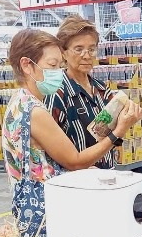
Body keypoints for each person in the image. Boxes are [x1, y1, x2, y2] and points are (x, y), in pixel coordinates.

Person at [2, 29, 142, 237]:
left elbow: (44, 160)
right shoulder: (35, 111)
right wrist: (118, 131)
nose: (58, 73)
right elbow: (75, 161)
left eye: (59, 66)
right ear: (27, 65)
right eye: (52, 66)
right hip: (48, 210)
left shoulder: (18, 101)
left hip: (32, 205)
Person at [46, 15, 116, 169]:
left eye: (91, 49)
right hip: (76, 179)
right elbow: (48, 150)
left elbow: (113, 134)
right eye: (78, 49)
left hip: (107, 174)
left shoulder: (102, 90)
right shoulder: (57, 94)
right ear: (63, 53)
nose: (87, 55)